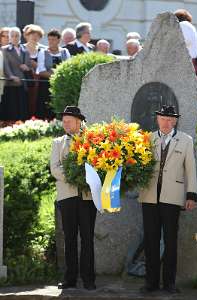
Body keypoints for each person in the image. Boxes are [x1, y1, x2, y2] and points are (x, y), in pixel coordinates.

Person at [138, 105, 197, 294]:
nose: (166, 122)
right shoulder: (147, 139)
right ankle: (151, 282)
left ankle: (169, 283)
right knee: (150, 240)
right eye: (163, 118)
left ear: (175, 121)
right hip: (149, 197)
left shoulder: (186, 140)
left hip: (173, 197)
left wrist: (191, 195)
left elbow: (191, 170)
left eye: (170, 119)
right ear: (157, 119)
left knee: (171, 240)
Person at [50, 106, 97, 290]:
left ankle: (89, 279)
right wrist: (74, 176)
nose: (65, 123)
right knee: (69, 238)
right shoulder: (57, 143)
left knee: (87, 238)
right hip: (67, 197)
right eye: (64, 120)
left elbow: (96, 166)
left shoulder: (91, 141)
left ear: (79, 122)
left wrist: (87, 177)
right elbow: (55, 168)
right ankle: (70, 278)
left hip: (87, 197)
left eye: (69, 120)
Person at [36, 29, 70, 119]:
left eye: (53, 40)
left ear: (59, 40)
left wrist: (55, 73)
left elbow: (68, 68)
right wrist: (58, 75)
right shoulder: (42, 52)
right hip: (46, 85)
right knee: (45, 108)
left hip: (61, 85)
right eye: (49, 39)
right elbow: (41, 71)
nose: (51, 42)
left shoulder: (65, 52)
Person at [1, 27, 31, 121]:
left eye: (17, 36)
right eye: (12, 36)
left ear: (20, 37)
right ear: (10, 38)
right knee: (12, 106)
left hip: (23, 82)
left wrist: (27, 67)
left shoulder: (24, 49)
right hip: (11, 83)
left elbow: (28, 64)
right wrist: (11, 76)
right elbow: (5, 65)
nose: (15, 38)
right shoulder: (5, 49)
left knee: (22, 106)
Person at [23, 24, 45, 117]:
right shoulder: (21, 48)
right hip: (25, 80)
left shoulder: (43, 49)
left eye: (38, 35)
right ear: (27, 35)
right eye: (32, 34)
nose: (35, 37)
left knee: (37, 101)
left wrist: (37, 66)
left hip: (39, 81)